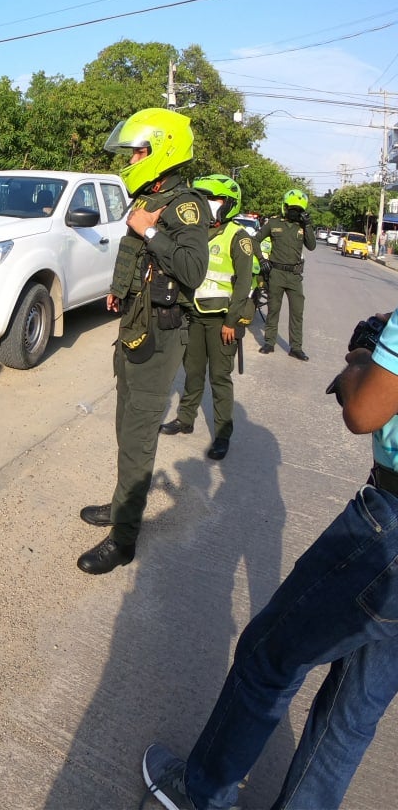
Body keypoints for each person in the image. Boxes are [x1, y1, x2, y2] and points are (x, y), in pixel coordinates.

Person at [143, 310, 398, 810]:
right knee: (355, 708)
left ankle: (201, 794)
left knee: (268, 658)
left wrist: (362, 361)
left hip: (388, 532)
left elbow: (363, 411)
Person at [77, 108, 210, 574]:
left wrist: (148, 229)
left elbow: (192, 270)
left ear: (162, 151)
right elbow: (136, 258)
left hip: (162, 334)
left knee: (138, 435)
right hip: (135, 326)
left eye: (138, 151)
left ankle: (124, 539)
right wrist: (119, 290)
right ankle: (122, 505)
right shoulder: (152, 197)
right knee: (125, 426)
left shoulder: (186, 205)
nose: (132, 159)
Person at [159, 174, 255, 461]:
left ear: (229, 204)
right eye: (205, 198)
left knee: (220, 378)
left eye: (214, 199)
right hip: (194, 315)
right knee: (192, 371)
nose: (209, 204)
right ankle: (185, 419)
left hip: (221, 320)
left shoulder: (238, 236)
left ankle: (223, 435)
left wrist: (232, 322)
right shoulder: (196, 231)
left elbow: (244, 284)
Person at [255, 189, 316, 360]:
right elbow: (255, 240)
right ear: (285, 207)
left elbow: (311, 246)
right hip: (276, 273)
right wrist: (262, 260)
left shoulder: (303, 226)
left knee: (297, 312)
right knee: (273, 309)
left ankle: (296, 347)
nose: (295, 212)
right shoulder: (274, 223)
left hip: (294, 277)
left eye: (298, 210)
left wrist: (308, 225)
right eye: (292, 208)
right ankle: (269, 342)